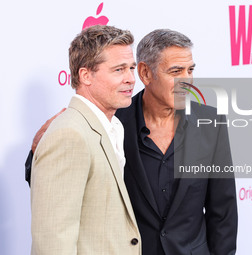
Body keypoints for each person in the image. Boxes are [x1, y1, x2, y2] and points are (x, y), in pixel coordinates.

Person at [26, 29, 238, 255]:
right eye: (176, 71)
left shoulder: (209, 123)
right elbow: (63, 190)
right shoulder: (114, 123)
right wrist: (37, 152)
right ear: (147, 74)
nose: (186, 80)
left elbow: (223, 211)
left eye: (190, 70)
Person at [29, 25, 141, 255]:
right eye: (119, 70)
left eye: (131, 68)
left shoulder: (114, 126)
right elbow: (53, 240)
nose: (131, 79)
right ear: (85, 75)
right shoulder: (69, 135)